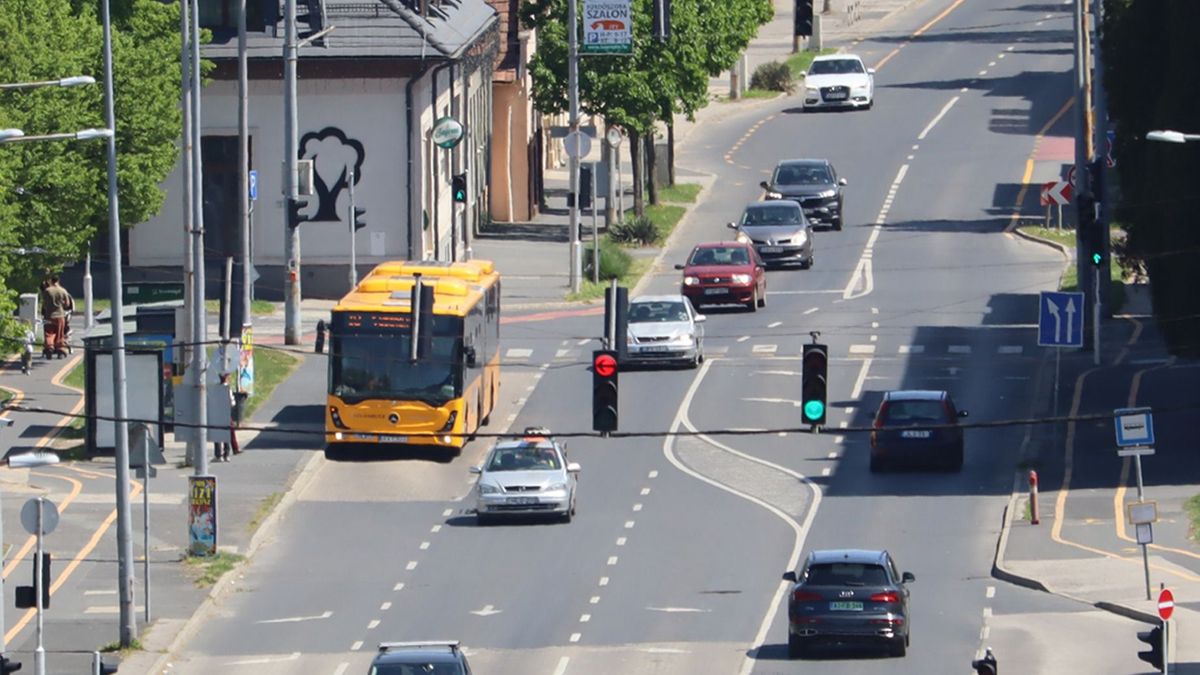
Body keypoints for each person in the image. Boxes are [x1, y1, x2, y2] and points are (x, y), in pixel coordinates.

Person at [212, 373, 240, 462]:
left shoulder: (215, 388)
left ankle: (218, 455)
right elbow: (232, 402)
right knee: (226, 432)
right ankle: (226, 454)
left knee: (217, 433)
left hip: (216, 413)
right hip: (226, 412)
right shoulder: (227, 388)